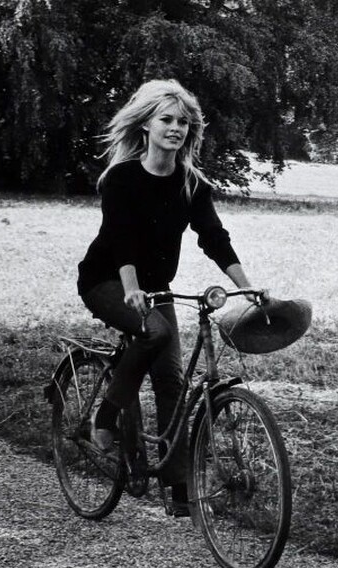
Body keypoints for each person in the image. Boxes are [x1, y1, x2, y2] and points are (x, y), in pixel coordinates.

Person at [76, 79, 263, 517]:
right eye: (166, 119)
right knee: (155, 332)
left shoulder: (191, 183)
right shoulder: (121, 178)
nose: (176, 128)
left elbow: (213, 237)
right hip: (107, 280)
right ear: (145, 125)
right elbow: (121, 239)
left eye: (183, 122)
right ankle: (105, 417)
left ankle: (179, 491)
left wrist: (247, 285)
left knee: (172, 381)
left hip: (155, 288)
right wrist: (130, 288)